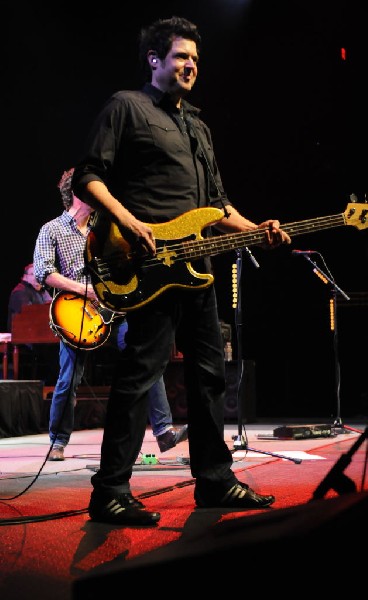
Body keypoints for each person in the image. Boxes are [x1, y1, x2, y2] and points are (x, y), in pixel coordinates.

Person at [72, 15, 291, 526]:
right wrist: (129, 222)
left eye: (195, 58)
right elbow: (88, 176)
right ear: (155, 60)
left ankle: (214, 481)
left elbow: (216, 205)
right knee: (139, 373)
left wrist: (259, 228)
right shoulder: (126, 106)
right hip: (146, 266)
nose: (191, 65)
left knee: (209, 376)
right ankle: (109, 490)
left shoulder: (198, 125)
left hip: (197, 268)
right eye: (180, 57)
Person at [33, 167, 187, 461]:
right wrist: (84, 290)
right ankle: (58, 441)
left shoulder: (104, 229)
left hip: (114, 309)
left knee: (145, 357)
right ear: (78, 193)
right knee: (69, 377)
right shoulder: (51, 229)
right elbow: (44, 273)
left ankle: (164, 432)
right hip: (77, 311)